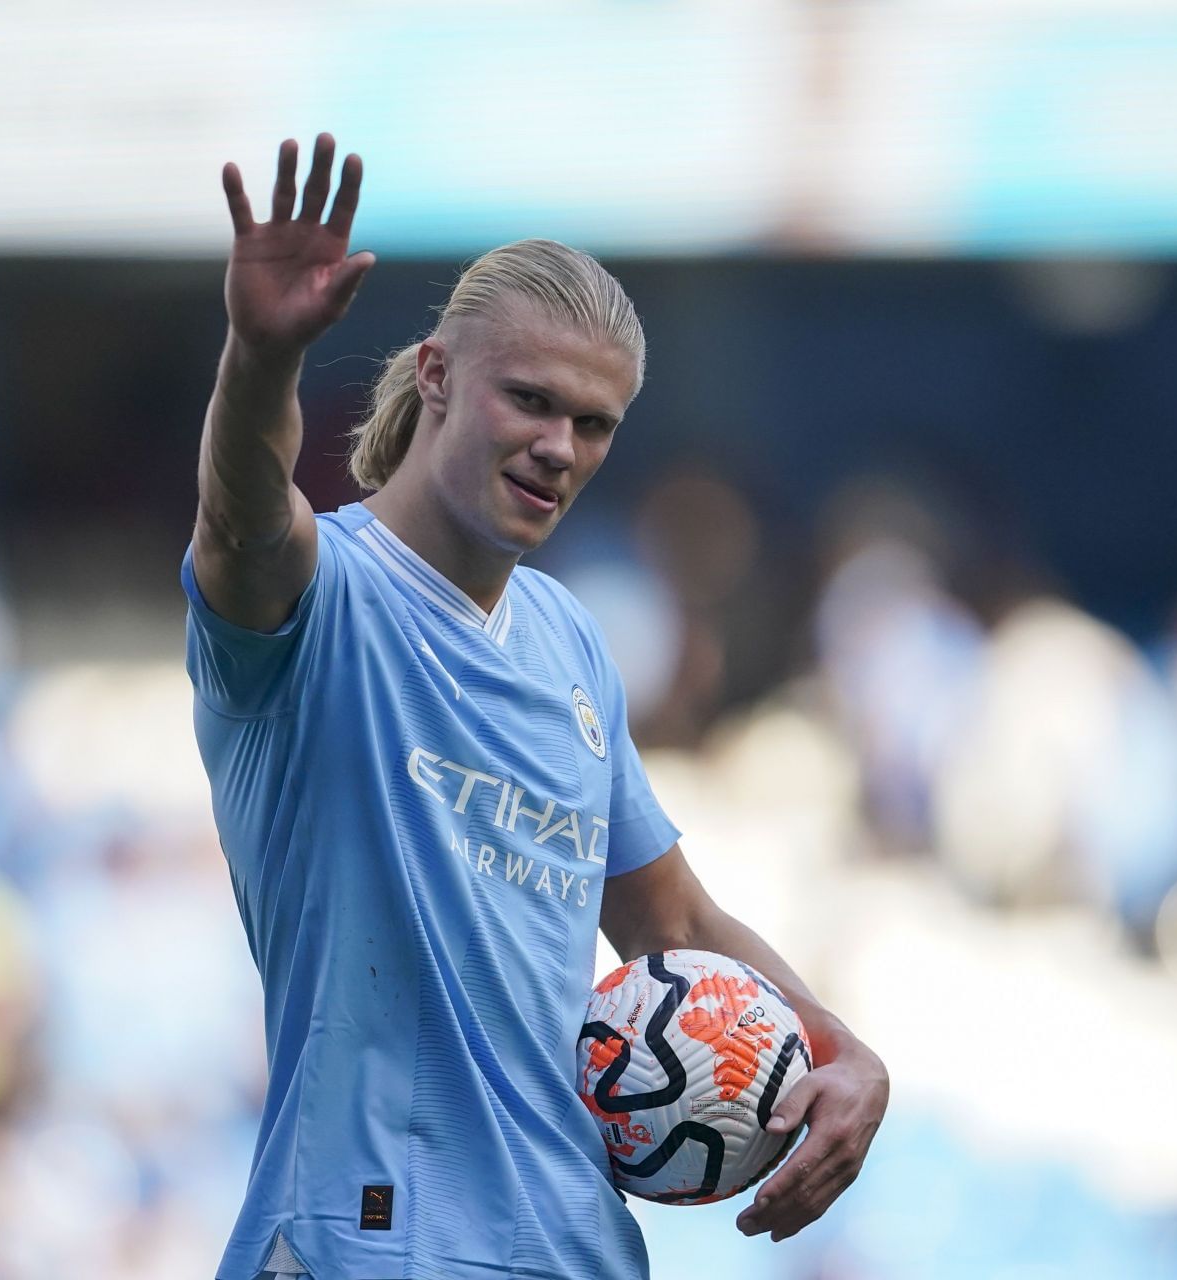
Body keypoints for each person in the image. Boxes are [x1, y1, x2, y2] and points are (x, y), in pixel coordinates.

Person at [183, 133, 889, 1280]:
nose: (560, 447)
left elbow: (674, 925)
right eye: (532, 400)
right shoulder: (319, 603)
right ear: (434, 375)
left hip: (573, 1250)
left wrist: (840, 1047)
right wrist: (259, 361)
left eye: (596, 422)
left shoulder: (569, 643)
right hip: (367, 1242)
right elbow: (242, 514)